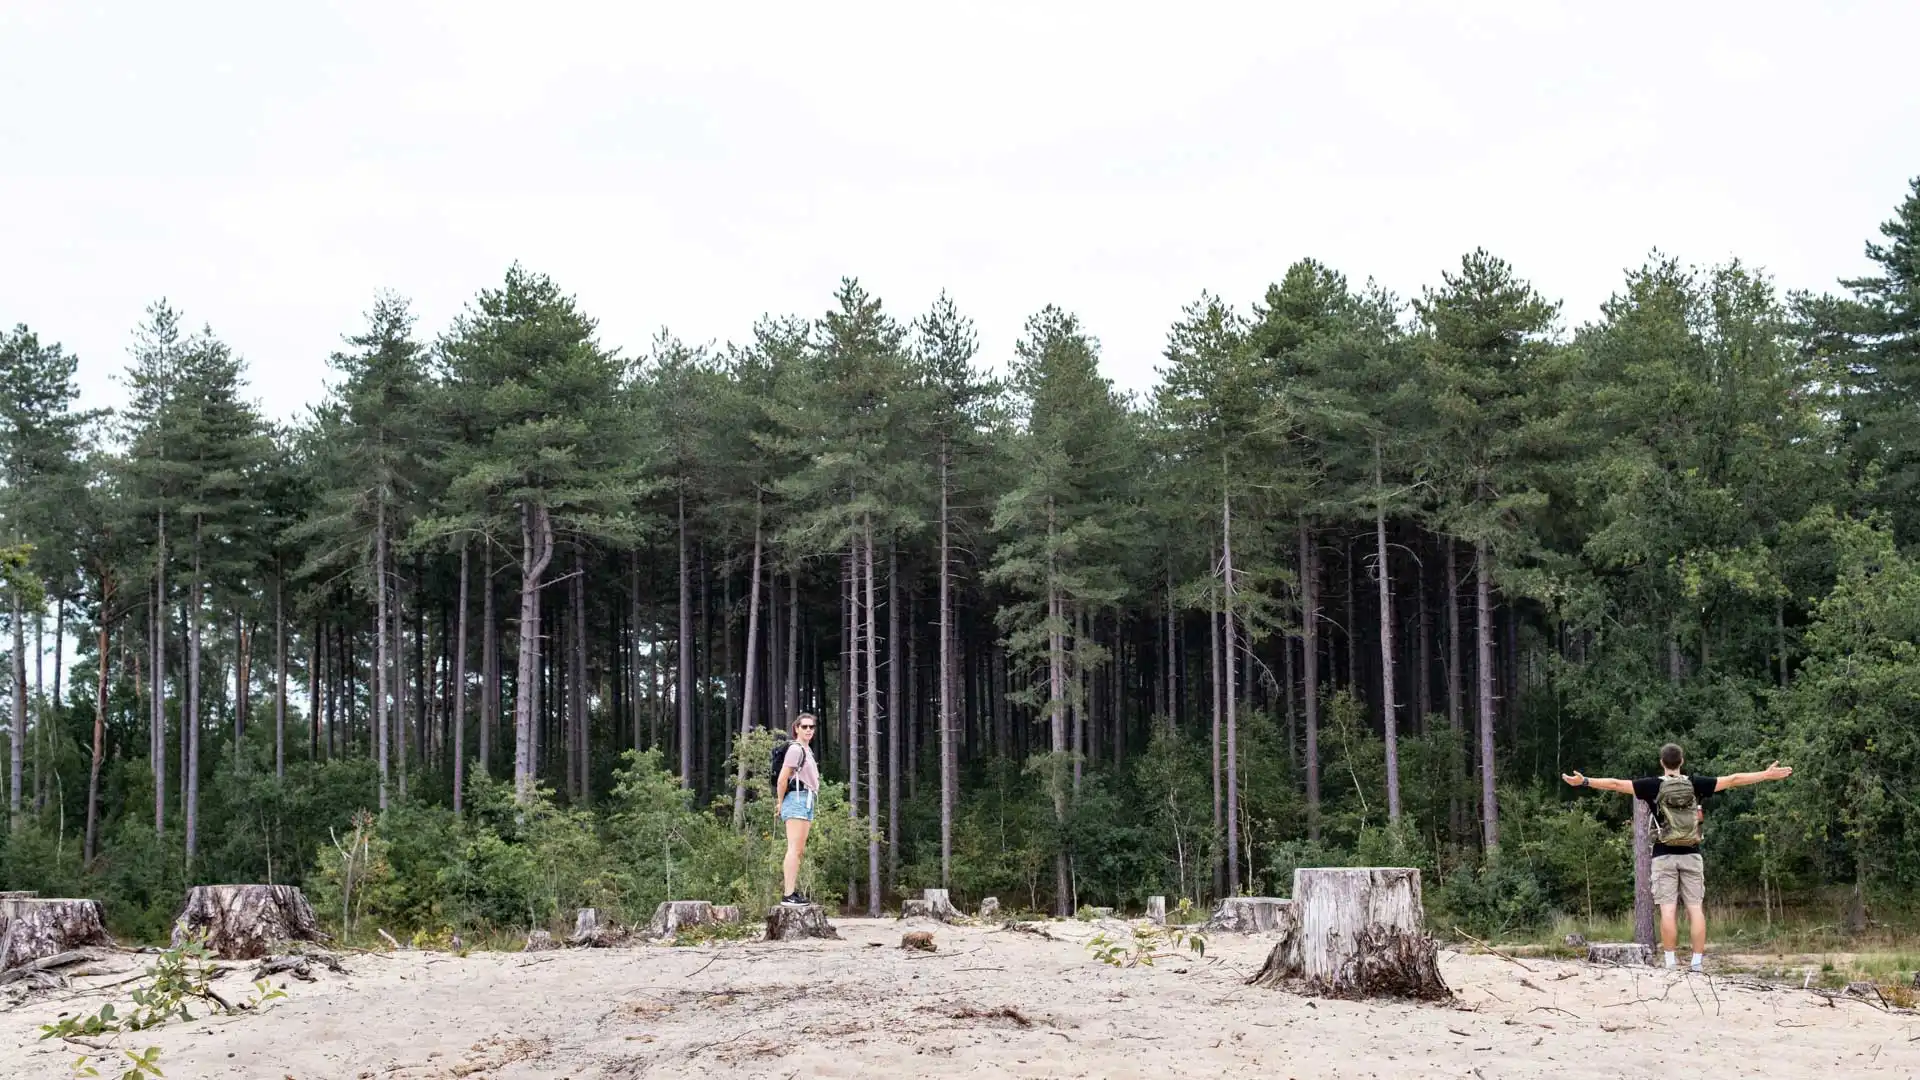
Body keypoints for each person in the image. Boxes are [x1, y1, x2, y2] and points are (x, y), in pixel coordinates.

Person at [1563, 744, 1791, 973]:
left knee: (1668, 910)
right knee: (1695, 909)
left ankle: (1670, 962)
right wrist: (1765, 775)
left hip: (1663, 855)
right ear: (1682, 761)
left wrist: (1584, 781)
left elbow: (1614, 784)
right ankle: (1697, 963)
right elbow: (1734, 779)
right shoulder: (1696, 783)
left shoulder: (1651, 786)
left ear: (1662, 762)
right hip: (1692, 853)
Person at [775, 712, 821, 906]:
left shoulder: (807, 750)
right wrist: (780, 802)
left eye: (811, 727)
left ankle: (792, 891)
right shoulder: (795, 750)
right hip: (796, 799)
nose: (808, 730)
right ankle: (788, 894)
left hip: (807, 800)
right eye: (804, 727)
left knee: (799, 850)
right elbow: (782, 779)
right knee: (793, 848)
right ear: (796, 728)